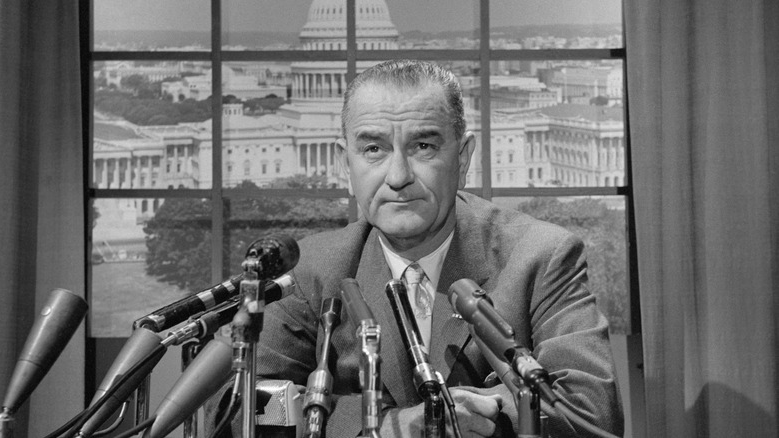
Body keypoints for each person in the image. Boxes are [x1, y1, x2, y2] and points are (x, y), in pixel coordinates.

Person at [205, 59, 623, 437]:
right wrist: (387, 427)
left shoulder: (542, 256)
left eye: (423, 146)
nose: (398, 175)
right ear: (344, 166)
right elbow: (236, 414)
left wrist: (489, 414)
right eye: (373, 149)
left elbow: (592, 417)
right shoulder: (310, 272)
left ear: (463, 158)